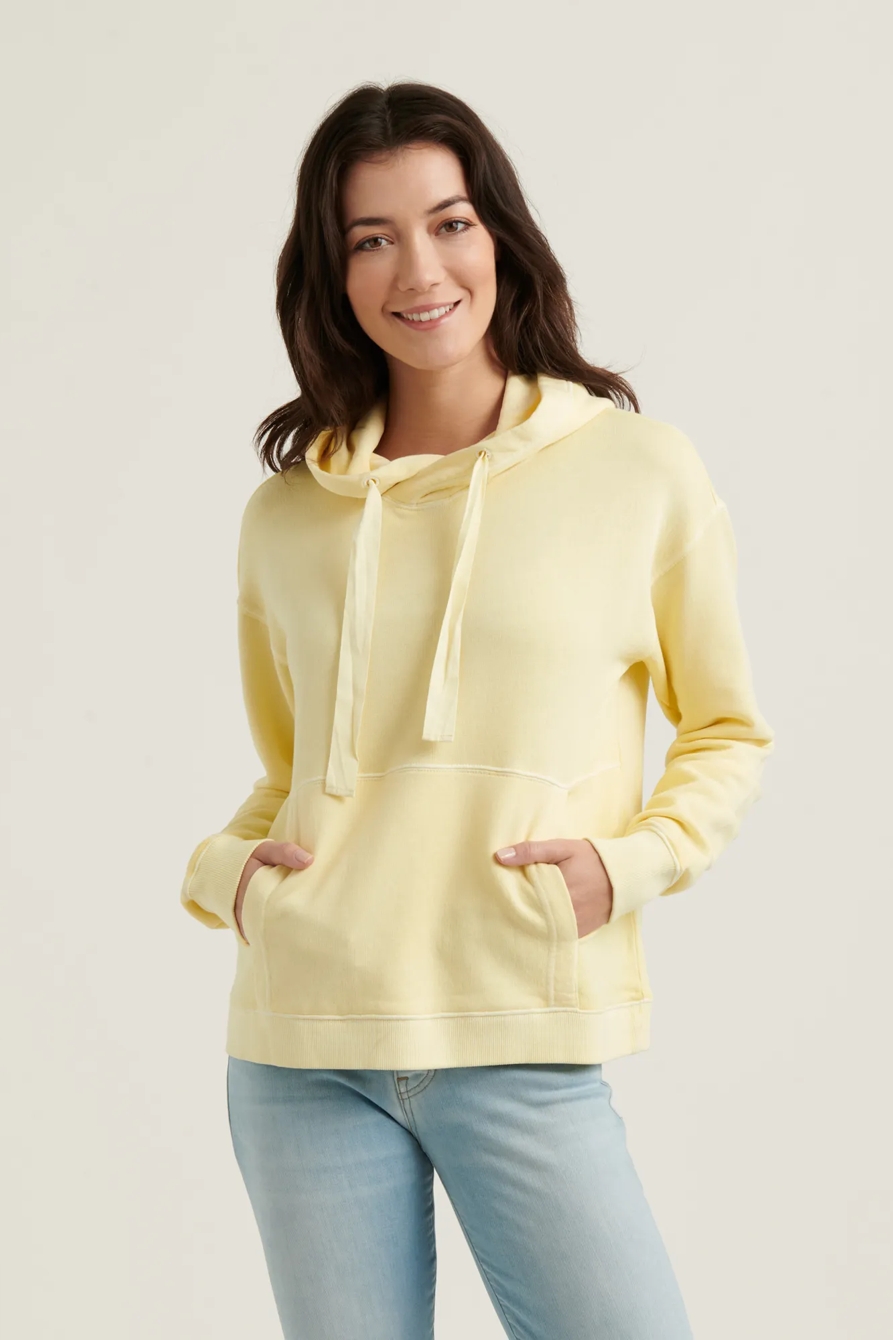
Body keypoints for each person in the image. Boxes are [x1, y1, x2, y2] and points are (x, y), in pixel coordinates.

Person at [180, 80, 774, 1339]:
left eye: (448, 223)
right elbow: (293, 768)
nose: (419, 269)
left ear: (498, 233)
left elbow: (724, 728)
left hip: (519, 1023)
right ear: (332, 270)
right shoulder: (286, 517)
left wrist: (630, 864)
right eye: (371, 238)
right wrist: (224, 871)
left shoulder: (637, 471)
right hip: (302, 1046)